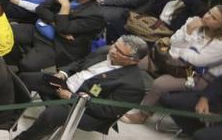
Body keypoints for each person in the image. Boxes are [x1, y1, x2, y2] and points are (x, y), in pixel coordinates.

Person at [15, 37, 150, 140]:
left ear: (134, 61)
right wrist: (63, 73)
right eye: (115, 46)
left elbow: (106, 111)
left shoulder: (133, 86)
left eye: (120, 52)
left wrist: (71, 97)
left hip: (85, 109)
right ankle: (10, 117)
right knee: (25, 78)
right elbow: (79, 63)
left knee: (52, 114)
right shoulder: (105, 51)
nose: (113, 51)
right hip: (66, 85)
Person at [124, 5, 222, 125]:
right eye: (209, 12)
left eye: (214, 18)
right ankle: (121, 92)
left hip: (197, 75)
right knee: (137, 62)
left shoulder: (220, 44)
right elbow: (174, 41)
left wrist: (181, 48)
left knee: (160, 84)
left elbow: (197, 60)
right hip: (172, 61)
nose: (207, 17)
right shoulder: (193, 22)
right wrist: (189, 31)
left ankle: (142, 115)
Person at [11, 0, 107, 72]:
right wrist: (55, 23)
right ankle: (10, 62)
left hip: (56, 44)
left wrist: (65, 6)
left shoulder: (96, 16)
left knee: (27, 65)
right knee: (1, 33)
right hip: (38, 29)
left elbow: (63, 28)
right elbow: (41, 8)